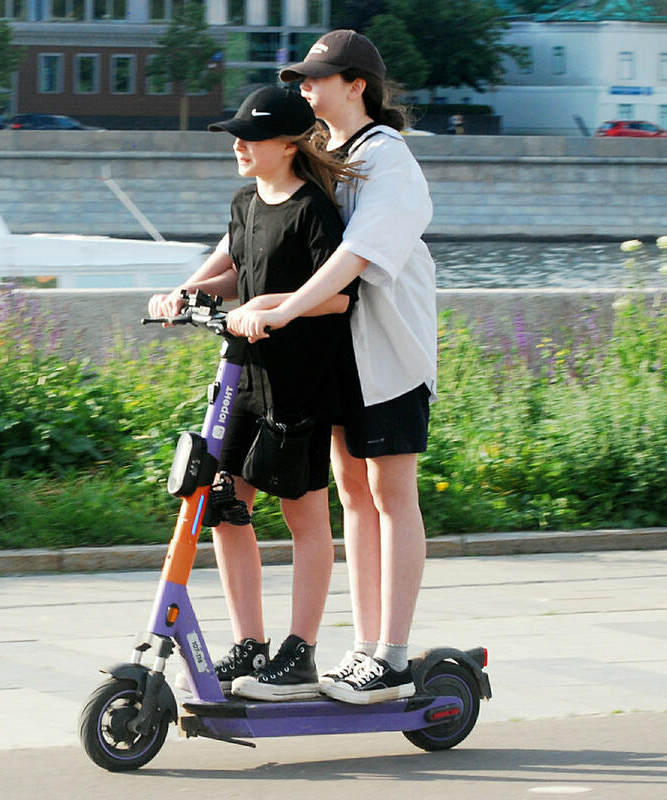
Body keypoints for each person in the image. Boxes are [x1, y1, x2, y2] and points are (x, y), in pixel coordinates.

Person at [227, 29, 438, 705]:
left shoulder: (388, 159)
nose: (305, 88)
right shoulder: (324, 152)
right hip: (341, 355)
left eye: (317, 78)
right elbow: (257, 229)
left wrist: (285, 308)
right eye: (302, 79)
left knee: (391, 494)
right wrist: (194, 287)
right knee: (352, 494)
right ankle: (363, 648)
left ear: (357, 86)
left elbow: (354, 257)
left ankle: (393, 655)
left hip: (390, 355)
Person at [149, 85, 360, 702]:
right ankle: (250, 643)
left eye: (251, 136)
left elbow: (339, 296)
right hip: (242, 378)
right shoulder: (245, 203)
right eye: (236, 136)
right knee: (221, 503)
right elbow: (239, 270)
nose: (239, 145)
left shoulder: (314, 209)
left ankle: (300, 651)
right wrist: (186, 294)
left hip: (299, 382)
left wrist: (270, 305)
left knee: (303, 515)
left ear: (289, 145)